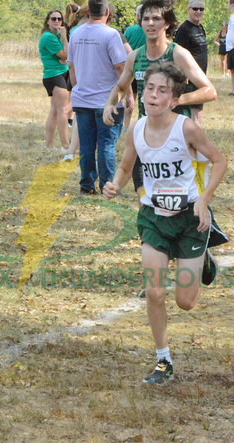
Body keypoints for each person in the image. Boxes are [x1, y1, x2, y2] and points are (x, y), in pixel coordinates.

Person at [103, 61, 228, 385]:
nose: (154, 95)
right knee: (155, 292)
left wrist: (203, 200)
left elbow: (219, 160)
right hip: (153, 218)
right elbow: (128, 165)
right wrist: (116, 182)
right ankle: (163, 361)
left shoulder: (186, 129)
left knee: (184, 302)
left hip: (189, 220)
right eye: (150, 89)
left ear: (174, 100)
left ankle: (201, 259)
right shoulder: (136, 129)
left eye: (162, 91)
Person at [103, 0, 216, 200]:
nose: (150, 23)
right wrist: (110, 103)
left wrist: (177, 100)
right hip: (146, 137)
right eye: (146, 19)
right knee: (145, 201)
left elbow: (209, 91)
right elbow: (121, 86)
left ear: (167, 24)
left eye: (156, 19)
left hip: (176, 140)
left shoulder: (178, 54)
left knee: (177, 204)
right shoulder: (135, 57)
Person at [68, 0, 134, 194]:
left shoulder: (75, 33)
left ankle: (86, 185)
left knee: (87, 144)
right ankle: (107, 185)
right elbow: (121, 67)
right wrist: (128, 93)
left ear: (88, 12)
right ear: (106, 11)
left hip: (83, 98)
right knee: (106, 144)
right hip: (108, 101)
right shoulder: (111, 34)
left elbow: (71, 65)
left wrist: (76, 88)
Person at [38, 10, 70, 154]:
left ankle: (49, 145)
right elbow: (66, 53)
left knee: (55, 111)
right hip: (54, 75)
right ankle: (66, 146)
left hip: (60, 73)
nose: (57, 21)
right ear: (48, 21)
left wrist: (65, 53)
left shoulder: (55, 36)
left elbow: (66, 54)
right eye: (54, 19)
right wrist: (64, 37)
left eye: (59, 19)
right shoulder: (49, 37)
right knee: (63, 110)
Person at [174, 0, 208, 126]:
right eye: (195, 8)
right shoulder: (184, 29)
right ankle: (194, 142)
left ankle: (195, 141)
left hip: (201, 77)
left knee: (198, 113)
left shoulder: (200, 27)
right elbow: (178, 54)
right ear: (188, 9)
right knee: (193, 115)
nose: (198, 11)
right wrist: (184, 76)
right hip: (190, 79)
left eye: (201, 9)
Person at [123, 5, 146, 129]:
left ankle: (126, 126)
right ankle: (142, 124)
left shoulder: (129, 30)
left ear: (137, 16)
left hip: (131, 67)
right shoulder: (152, 30)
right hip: (146, 67)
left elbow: (123, 46)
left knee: (130, 98)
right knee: (144, 99)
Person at [226, 0, 234, 96]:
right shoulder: (232, 16)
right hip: (230, 48)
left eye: (228, 3)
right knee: (232, 69)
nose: (227, 5)